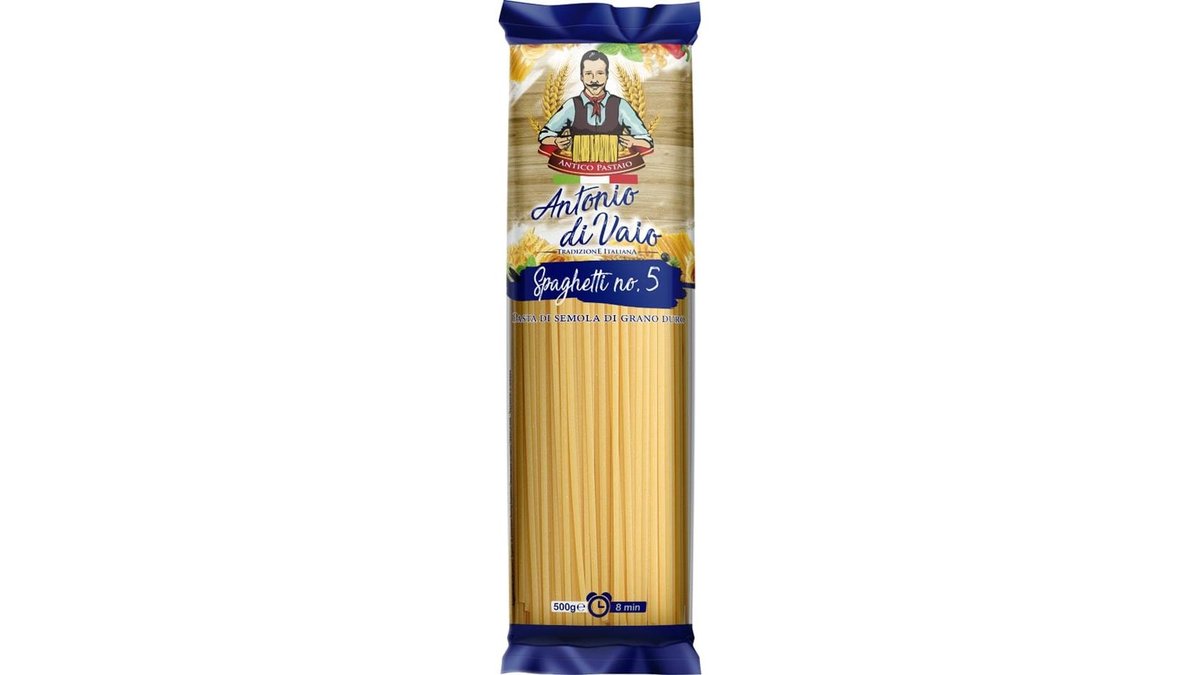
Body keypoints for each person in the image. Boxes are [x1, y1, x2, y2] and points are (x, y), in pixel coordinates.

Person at [538, 50, 654, 152]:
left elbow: (646, 140)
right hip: (577, 166)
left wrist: (634, 141)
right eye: (588, 74)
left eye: (600, 73)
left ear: (607, 75)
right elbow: (544, 135)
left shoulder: (620, 105)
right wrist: (555, 141)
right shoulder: (571, 105)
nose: (594, 80)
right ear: (581, 76)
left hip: (613, 167)